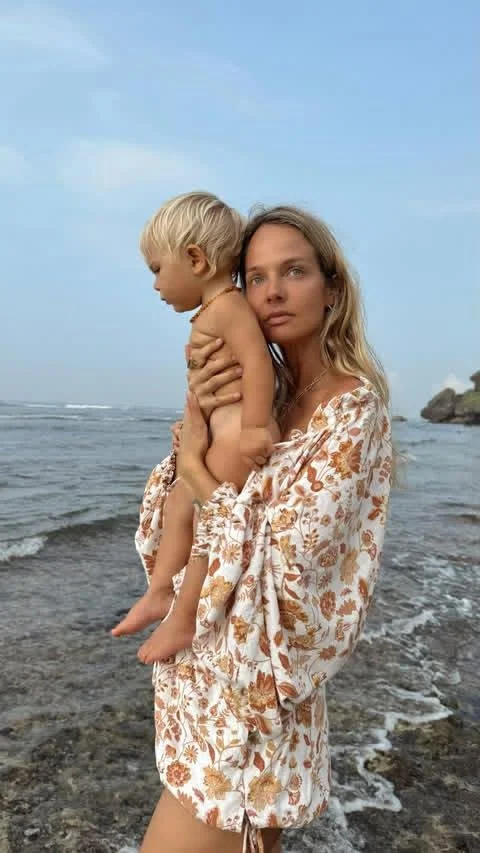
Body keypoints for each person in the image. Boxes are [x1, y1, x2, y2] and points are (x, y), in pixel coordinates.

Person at [135, 205, 393, 853]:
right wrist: (194, 434)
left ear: (332, 287)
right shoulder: (260, 394)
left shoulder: (352, 411)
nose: (273, 291)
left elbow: (282, 564)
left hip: (255, 708)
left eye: (295, 271)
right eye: (256, 276)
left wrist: (195, 467)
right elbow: (166, 521)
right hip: (201, 688)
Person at [112, 192, 279, 662]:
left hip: (234, 439)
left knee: (208, 521)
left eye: (156, 269)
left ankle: (183, 616)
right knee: (179, 500)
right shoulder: (216, 310)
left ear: (195, 259)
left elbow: (257, 364)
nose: (156, 285)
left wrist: (252, 428)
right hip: (216, 434)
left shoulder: (228, 306)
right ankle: (162, 591)